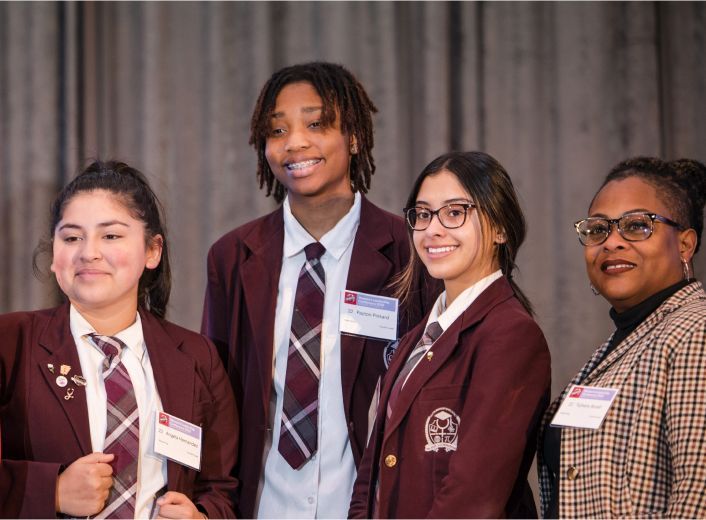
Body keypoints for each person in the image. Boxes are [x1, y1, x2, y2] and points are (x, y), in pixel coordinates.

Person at [201, 62, 434, 518]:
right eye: (277, 130)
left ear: (354, 137)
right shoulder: (232, 256)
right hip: (261, 504)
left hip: (368, 504)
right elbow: (216, 398)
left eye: (315, 124)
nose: (295, 143)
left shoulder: (411, 250)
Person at [0, 161, 238, 518]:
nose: (88, 252)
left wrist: (201, 515)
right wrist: (51, 490)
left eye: (110, 235)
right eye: (71, 237)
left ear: (153, 251)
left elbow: (220, 486)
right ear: (54, 255)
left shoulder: (196, 357)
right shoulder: (10, 341)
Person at [349, 151, 551, 518]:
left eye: (455, 212)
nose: (433, 229)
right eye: (423, 214)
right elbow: (371, 471)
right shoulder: (416, 338)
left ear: (501, 229)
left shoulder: (511, 335)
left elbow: (474, 494)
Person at [538, 157, 706, 518]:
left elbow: (699, 494)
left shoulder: (696, 331)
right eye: (598, 230)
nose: (612, 242)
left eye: (636, 226)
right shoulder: (614, 350)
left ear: (685, 245)